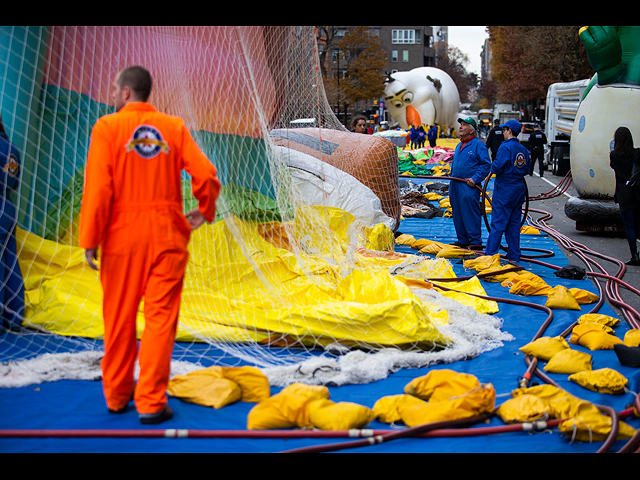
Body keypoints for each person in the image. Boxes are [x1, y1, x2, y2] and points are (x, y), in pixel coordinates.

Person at [79, 66, 221, 425]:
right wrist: (206, 210)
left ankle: (116, 396)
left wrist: (90, 240)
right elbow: (205, 174)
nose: (113, 93)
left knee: (119, 318)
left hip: (121, 236)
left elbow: (98, 190)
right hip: (167, 235)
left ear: (126, 92)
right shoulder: (173, 127)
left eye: (114, 88)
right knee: (160, 321)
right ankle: (152, 402)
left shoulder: (107, 128)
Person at [485, 120, 531, 263]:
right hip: (518, 189)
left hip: (505, 188)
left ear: (509, 131)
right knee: (514, 224)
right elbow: (527, 169)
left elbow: (497, 167)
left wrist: (493, 167)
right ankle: (514, 255)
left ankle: (490, 256)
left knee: (498, 223)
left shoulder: (505, 148)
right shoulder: (523, 149)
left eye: (504, 130)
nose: (503, 133)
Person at [449, 117, 492, 250]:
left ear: (472, 129)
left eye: (464, 125)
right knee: (457, 212)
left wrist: (475, 178)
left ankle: (474, 241)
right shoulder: (459, 145)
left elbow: (486, 165)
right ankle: (463, 239)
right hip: (455, 183)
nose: (460, 127)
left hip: (468, 185)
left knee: (470, 213)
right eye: (460, 124)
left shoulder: (479, 145)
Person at [0, 114, 25, 331]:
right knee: (10, 260)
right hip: (8, 206)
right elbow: (14, 183)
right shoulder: (12, 148)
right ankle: (15, 315)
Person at [609, 126, 640, 266]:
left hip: (623, 194)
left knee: (629, 227)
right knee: (638, 225)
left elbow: (613, 167)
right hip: (637, 194)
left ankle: (634, 255)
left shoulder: (614, 156)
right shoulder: (637, 154)